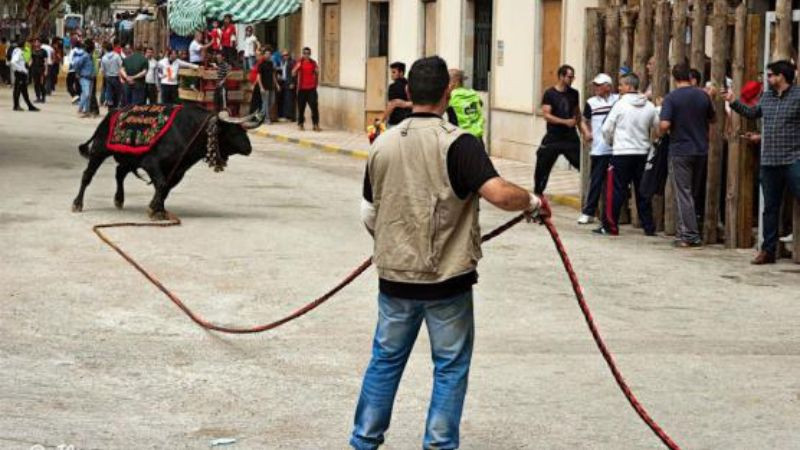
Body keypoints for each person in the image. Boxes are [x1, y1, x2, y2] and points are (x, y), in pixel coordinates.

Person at [352, 55, 544, 450]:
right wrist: (532, 201)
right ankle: (439, 445)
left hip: (395, 279)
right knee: (450, 367)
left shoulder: (382, 144)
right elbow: (499, 194)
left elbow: (369, 213)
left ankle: (363, 441)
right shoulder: (459, 144)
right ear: (447, 93)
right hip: (447, 282)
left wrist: (394, 245)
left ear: (408, 92)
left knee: (385, 361)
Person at [726, 60, 800, 264]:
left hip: (793, 158)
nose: (767, 79)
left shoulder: (798, 95)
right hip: (769, 161)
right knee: (770, 208)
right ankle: (768, 250)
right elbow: (753, 113)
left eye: (770, 75)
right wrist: (733, 101)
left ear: (781, 76)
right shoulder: (766, 97)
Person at [659, 63, 716, 248]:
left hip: (680, 150)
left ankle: (688, 234)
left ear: (674, 78)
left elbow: (665, 124)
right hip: (701, 149)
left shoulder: (671, 98)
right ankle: (688, 230)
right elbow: (713, 118)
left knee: (683, 193)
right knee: (692, 192)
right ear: (690, 77)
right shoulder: (703, 96)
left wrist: (660, 130)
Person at [596, 73, 658, 236]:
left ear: (629, 86)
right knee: (642, 191)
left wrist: (611, 142)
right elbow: (658, 126)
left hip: (622, 153)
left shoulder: (620, 105)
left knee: (617, 190)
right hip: (642, 152)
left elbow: (606, 128)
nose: (619, 88)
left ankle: (610, 226)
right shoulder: (649, 106)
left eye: (621, 85)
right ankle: (648, 227)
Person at [534, 64, 581, 195]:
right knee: (542, 165)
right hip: (553, 137)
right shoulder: (550, 94)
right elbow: (546, 115)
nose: (571, 80)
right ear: (561, 76)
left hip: (570, 137)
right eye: (569, 77)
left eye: (573, 77)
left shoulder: (574, 93)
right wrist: (565, 122)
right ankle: (538, 193)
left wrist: (583, 130)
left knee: (582, 163)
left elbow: (577, 113)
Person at [577, 73, 618, 225]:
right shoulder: (591, 102)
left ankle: (612, 215)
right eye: (595, 85)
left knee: (616, 184)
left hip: (616, 149)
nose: (596, 87)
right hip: (599, 149)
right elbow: (583, 120)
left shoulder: (617, 100)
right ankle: (589, 212)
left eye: (599, 85)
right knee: (596, 181)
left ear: (608, 86)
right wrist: (586, 132)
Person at [447, 68, 485, 138]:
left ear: (455, 82)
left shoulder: (451, 96)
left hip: (461, 137)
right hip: (477, 136)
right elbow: (481, 104)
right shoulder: (473, 93)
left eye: (448, 82)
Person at [292, 47, 321, 131]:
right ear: (303, 54)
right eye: (305, 53)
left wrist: (317, 71)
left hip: (311, 88)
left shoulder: (313, 63)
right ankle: (300, 124)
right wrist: (297, 68)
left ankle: (315, 124)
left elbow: (317, 72)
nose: (306, 55)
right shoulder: (300, 62)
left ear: (310, 54)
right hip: (302, 89)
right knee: (301, 108)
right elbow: (293, 73)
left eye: (308, 53)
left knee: (314, 107)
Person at [381, 61, 411, 127]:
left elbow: (391, 105)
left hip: (395, 123)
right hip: (408, 122)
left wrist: (381, 120)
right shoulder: (410, 85)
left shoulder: (393, 86)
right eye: (391, 72)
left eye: (394, 72)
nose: (391, 74)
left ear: (401, 73)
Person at [10, 42, 38, 111]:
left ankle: (29, 106)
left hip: (22, 73)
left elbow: (24, 61)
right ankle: (16, 106)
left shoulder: (19, 51)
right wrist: (21, 69)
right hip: (20, 74)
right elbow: (13, 62)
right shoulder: (18, 52)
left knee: (23, 90)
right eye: (26, 45)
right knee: (18, 90)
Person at [70, 41, 94, 117]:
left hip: (90, 78)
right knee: (86, 94)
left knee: (86, 95)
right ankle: (81, 109)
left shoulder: (90, 57)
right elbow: (77, 65)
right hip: (84, 77)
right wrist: (77, 73)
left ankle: (86, 110)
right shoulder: (85, 56)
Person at [257, 50, 279, 123]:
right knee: (265, 103)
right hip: (264, 86)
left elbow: (273, 75)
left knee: (272, 102)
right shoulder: (261, 64)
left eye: (269, 54)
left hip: (271, 86)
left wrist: (277, 84)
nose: (268, 55)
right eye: (266, 54)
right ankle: (266, 119)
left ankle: (260, 115)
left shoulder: (271, 63)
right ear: (264, 55)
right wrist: (261, 87)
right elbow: (258, 77)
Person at [100, 41, 123, 108]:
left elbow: (102, 70)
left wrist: (105, 76)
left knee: (109, 91)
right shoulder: (117, 56)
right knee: (117, 92)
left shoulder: (104, 58)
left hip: (108, 77)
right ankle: (117, 104)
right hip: (116, 76)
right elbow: (121, 66)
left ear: (106, 49)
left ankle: (110, 104)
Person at [277, 49, 295, 121]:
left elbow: (293, 74)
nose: (285, 56)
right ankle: (285, 115)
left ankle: (291, 116)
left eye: (286, 55)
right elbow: (284, 72)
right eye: (283, 55)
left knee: (289, 99)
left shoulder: (291, 63)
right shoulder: (283, 62)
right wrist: (280, 76)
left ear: (289, 55)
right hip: (284, 82)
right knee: (285, 99)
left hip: (289, 83)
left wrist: (293, 83)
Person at [30, 38, 48, 103]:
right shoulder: (32, 51)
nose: (36, 43)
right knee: (36, 83)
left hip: (41, 69)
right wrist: (28, 66)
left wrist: (46, 70)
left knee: (42, 83)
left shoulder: (44, 51)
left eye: (38, 42)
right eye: (35, 42)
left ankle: (43, 97)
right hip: (34, 69)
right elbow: (31, 60)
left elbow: (46, 61)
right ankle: (38, 97)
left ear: (40, 43)